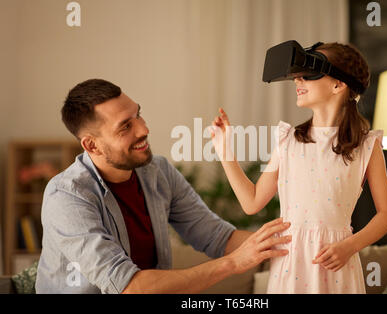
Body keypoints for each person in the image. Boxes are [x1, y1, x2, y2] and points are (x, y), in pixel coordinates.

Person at [35, 78, 292, 294]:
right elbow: (129, 287)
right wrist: (233, 264)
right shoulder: (67, 197)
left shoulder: (158, 172)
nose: (143, 129)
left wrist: (299, 242)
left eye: (138, 115)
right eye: (126, 126)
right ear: (91, 145)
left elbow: (218, 237)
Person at [210, 42, 387, 293]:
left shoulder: (366, 146)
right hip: (290, 264)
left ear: (338, 84)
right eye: (297, 75)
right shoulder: (288, 141)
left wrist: (350, 246)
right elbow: (252, 202)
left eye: (308, 74)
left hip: (338, 263)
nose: (298, 80)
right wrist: (224, 151)